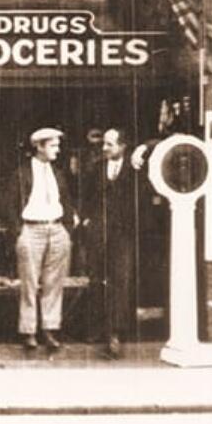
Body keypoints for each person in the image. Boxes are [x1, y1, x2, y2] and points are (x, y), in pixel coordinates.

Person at [5, 127, 79, 351]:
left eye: (58, 145)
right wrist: (19, 232)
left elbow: (66, 200)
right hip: (31, 229)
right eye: (53, 145)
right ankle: (28, 331)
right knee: (29, 282)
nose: (58, 150)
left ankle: (49, 329)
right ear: (39, 146)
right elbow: (9, 205)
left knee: (53, 283)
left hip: (56, 229)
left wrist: (66, 229)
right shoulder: (21, 173)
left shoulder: (58, 172)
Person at [81, 126, 146, 358]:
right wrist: (87, 220)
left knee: (121, 280)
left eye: (109, 144)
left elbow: (166, 142)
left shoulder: (135, 167)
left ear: (123, 146)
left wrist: (145, 147)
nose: (104, 148)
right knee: (97, 279)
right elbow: (86, 197)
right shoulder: (96, 168)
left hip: (124, 233)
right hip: (98, 232)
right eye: (104, 144)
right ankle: (97, 329)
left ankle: (115, 333)